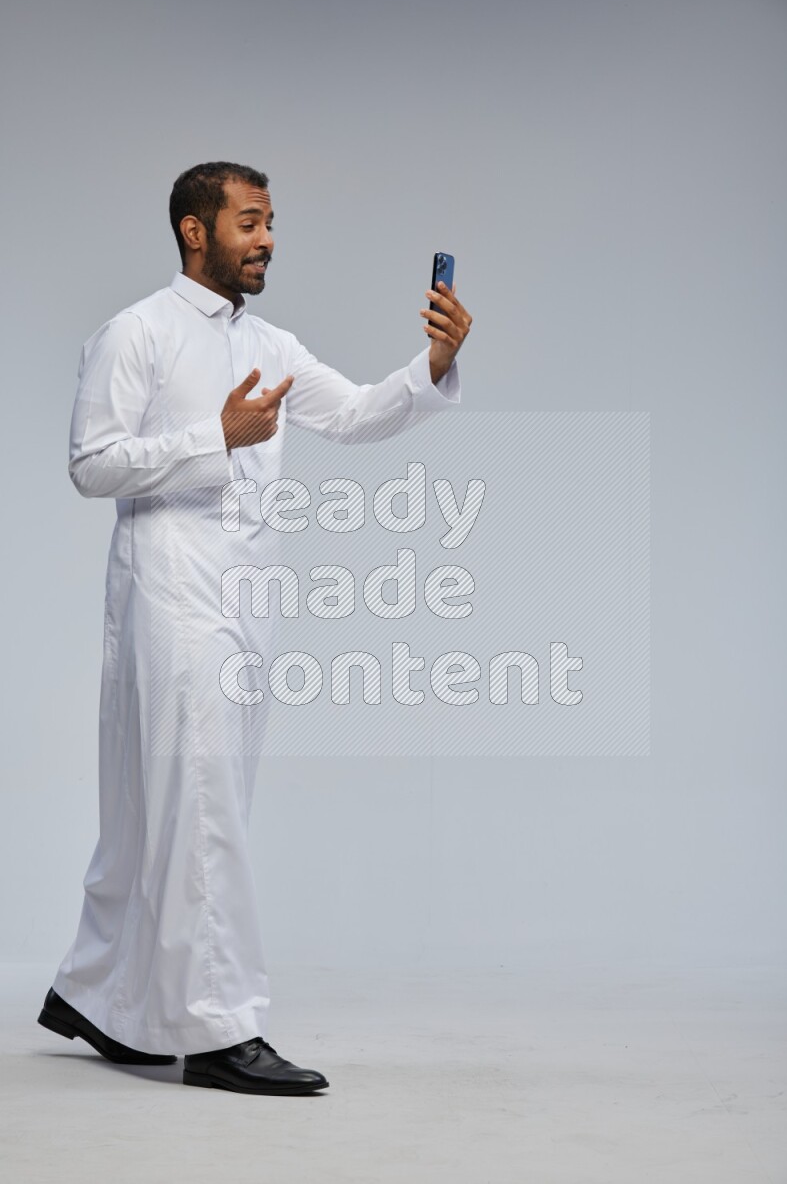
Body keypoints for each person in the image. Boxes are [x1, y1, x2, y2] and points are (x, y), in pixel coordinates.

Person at [37, 161, 472, 1095]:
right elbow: (90, 464)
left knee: (160, 811)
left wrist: (432, 366)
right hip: (170, 602)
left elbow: (354, 415)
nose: (267, 237)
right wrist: (212, 438)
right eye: (248, 221)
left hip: (244, 611)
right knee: (201, 816)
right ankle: (220, 1027)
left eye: (271, 221)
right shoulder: (136, 333)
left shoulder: (270, 342)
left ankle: (93, 992)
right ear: (196, 232)